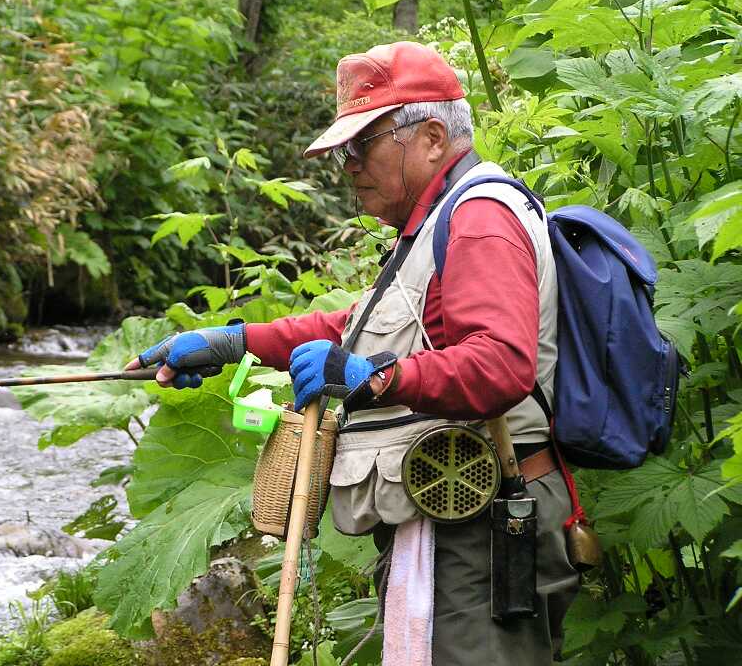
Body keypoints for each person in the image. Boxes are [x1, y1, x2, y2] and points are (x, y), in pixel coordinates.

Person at [126, 41, 580, 665]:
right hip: (459, 515)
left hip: (485, 521)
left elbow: (501, 365)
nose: (349, 166)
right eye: (344, 151)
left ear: (430, 137)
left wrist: (374, 379)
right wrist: (233, 342)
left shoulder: (478, 218)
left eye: (363, 145)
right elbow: (359, 327)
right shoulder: (437, 220)